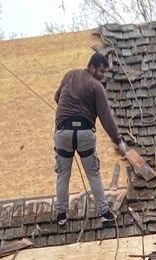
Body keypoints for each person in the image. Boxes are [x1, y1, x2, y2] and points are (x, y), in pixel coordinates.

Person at [53, 52, 126, 228]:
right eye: (101, 71)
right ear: (92, 67)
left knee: (63, 174)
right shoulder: (96, 86)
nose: (102, 76)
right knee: (93, 173)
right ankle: (105, 214)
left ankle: (61, 215)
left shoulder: (70, 75)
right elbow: (106, 117)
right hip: (85, 133)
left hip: (63, 132)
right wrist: (118, 140)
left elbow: (57, 97)